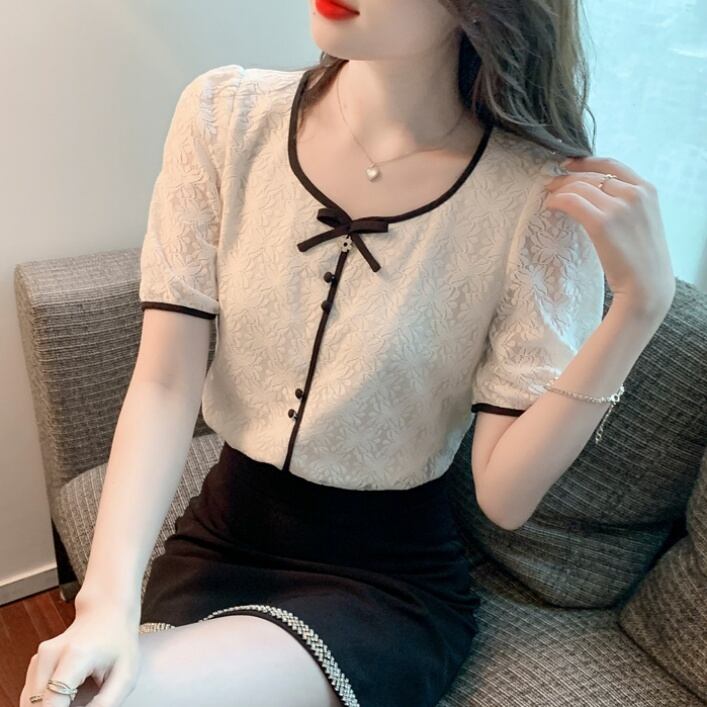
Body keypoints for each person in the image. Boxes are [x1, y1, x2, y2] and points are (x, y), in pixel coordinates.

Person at [20, 0, 675, 706]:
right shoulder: (224, 116)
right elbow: (164, 383)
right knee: (75, 691)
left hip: (382, 582)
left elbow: (505, 496)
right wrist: (105, 604)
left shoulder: (537, 198)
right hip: (220, 535)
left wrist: (637, 310)